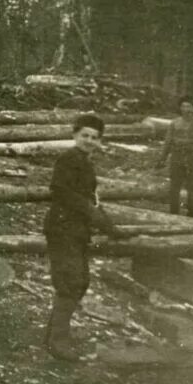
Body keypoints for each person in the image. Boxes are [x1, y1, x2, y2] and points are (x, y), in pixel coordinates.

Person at [43, 114, 131, 362]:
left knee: (79, 281)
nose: (89, 141)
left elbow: (91, 199)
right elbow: (61, 191)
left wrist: (109, 225)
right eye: (85, 135)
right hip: (62, 229)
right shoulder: (67, 159)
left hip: (77, 230)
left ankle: (53, 334)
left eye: (94, 137)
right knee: (70, 281)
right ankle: (58, 342)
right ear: (74, 135)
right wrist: (94, 215)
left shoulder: (85, 162)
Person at [156, 97, 193, 217]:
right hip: (177, 157)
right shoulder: (175, 123)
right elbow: (168, 141)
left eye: (189, 106)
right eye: (183, 106)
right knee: (174, 187)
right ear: (180, 108)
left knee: (192, 189)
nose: (186, 109)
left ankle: (192, 215)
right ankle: (174, 214)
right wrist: (162, 158)